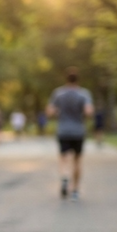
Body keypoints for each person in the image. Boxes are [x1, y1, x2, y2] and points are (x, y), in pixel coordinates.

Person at [46, 67, 94, 201]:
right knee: (77, 160)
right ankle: (75, 190)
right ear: (78, 79)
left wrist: (58, 112)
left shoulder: (58, 93)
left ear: (66, 79)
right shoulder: (84, 94)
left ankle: (65, 177)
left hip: (63, 130)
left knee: (63, 158)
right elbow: (89, 112)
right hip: (78, 131)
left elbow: (49, 111)